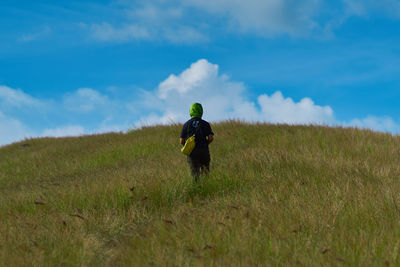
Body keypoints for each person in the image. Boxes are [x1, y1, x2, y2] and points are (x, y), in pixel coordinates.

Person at [180, 103, 214, 181]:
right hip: (204, 150)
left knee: (195, 172)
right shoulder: (205, 124)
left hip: (192, 152)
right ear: (201, 111)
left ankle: (197, 188)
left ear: (191, 111)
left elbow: (181, 140)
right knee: (205, 171)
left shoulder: (186, 124)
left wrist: (187, 145)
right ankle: (206, 186)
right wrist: (206, 143)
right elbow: (211, 138)